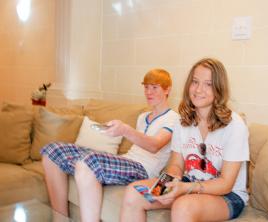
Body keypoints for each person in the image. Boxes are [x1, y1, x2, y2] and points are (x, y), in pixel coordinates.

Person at [41, 69, 179, 222]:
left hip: (144, 170)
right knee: (52, 151)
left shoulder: (174, 119)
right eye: (146, 87)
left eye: (155, 87)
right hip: (127, 160)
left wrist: (125, 130)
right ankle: (60, 219)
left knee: (89, 161)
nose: (149, 92)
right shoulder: (143, 117)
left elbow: (155, 145)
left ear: (167, 89)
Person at [121, 58, 249, 222]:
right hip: (191, 182)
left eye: (208, 84)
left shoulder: (234, 125)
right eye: (195, 82)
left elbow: (226, 183)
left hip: (227, 195)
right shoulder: (183, 121)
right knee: (133, 192)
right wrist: (166, 186)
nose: (198, 89)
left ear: (219, 88)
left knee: (183, 206)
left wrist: (185, 188)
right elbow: (176, 165)